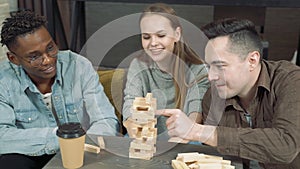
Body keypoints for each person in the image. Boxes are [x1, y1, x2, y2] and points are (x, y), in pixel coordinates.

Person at [157, 18, 300, 168]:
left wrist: (198, 131)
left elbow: (286, 145)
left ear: (252, 60)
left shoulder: (291, 80)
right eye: (209, 66)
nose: (211, 76)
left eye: (220, 66)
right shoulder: (213, 97)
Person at [0, 10, 120, 169]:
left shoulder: (79, 66)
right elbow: (3, 136)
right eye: (34, 56)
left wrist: (81, 145)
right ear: (13, 59)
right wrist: (63, 139)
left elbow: (105, 120)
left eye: (50, 48)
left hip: (83, 150)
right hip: (29, 154)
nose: (48, 60)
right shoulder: (4, 81)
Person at [122, 3, 209, 139]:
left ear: (177, 34)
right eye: (146, 37)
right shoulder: (138, 65)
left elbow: (194, 115)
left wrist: (179, 139)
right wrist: (132, 125)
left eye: (161, 35)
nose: (153, 43)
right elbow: (130, 102)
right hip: (147, 138)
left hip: (184, 138)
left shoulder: (198, 70)